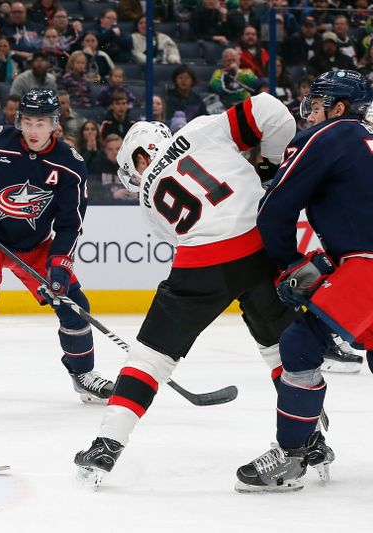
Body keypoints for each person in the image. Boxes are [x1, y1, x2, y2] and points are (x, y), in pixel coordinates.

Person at [74, 93, 306, 488]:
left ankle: (107, 444)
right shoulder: (199, 130)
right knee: (280, 349)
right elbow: (271, 109)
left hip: (200, 264)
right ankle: (309, 437)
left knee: (150, 357)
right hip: (256, 246)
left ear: (141, 158)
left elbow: (182, 236)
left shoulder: (147, 196)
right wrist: (269, 166)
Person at [235, 70, 373, 493]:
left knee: (300, 343)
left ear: (338, 109)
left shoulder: (329, 135)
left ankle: (291, 455)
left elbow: (274, 208)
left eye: (317, 104)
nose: (309, 114)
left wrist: (286, 264)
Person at [0, 88, 113, 408]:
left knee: (73, 303)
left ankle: (83, 375)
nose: (32, 130)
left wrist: (59, 264)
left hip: (36, 246)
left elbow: (71, 224)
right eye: (27, 121)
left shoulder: (70, 166)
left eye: (40, 123)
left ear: (55, 124)